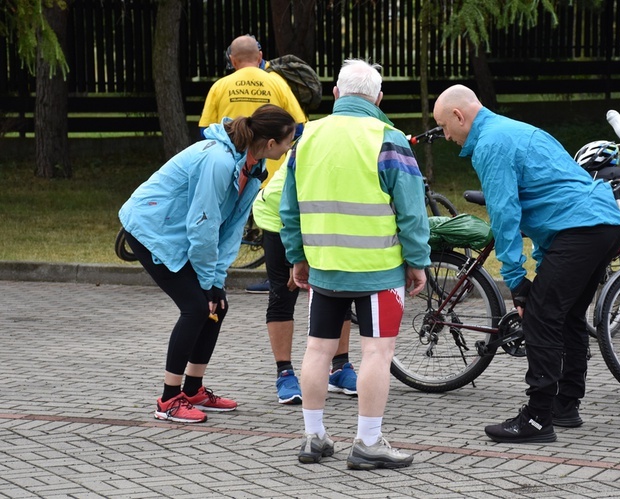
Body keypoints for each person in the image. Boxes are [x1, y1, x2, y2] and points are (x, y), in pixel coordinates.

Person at [432, 85, 620, 443]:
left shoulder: (491, 144)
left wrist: (517, 281)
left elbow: (505, 215)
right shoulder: (518, 129)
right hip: (604, 225)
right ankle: (565, 406)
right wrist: (536, 265)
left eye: (445, 126)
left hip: (581, 229)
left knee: (540, 315)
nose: (446, 136)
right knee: (565, 315)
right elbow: (550, 198)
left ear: (459, 117)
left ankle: (537, 419)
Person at [280, 59, 431, 469]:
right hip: (378, 270)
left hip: (325, 266)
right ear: (378, 98)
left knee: (316, 350)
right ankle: (367, 442)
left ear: (335, 94)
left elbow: (288, 208)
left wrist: (297, 256)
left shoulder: (305, 136)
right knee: (377, 353)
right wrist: (417, 261)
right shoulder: (389, 138)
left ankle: (313, 437)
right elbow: (412, 211)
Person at [119, 104, 297, 424]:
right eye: (288, 142)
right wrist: (206, 284)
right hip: (150, 229)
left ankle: (193, 390)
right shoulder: (217, 160)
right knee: (197, 308)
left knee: (218, 305)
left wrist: (216, 281)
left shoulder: (252, 169)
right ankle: (168, 400)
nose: (290, 147)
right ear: (271, 144)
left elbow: (228, 230)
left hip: (181, 232)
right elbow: (203, 225)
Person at [198, 34, 308, 294]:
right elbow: (299, 125)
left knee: (221, 219)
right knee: (274, 223)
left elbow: (205, 130)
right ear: (259, 57)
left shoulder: (221, 86)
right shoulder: (276, 82)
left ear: (232, 61)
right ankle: (276, 276)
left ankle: (213, 276)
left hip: (232, 168)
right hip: (270, 169)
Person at [252, 161, 358, 405]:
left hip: (321, 219)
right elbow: (290, 209)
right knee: (284, 291)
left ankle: (340, 367)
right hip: (279, 216)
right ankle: (284, 373)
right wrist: (295, 256)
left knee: (337, 287)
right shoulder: (313, 151)